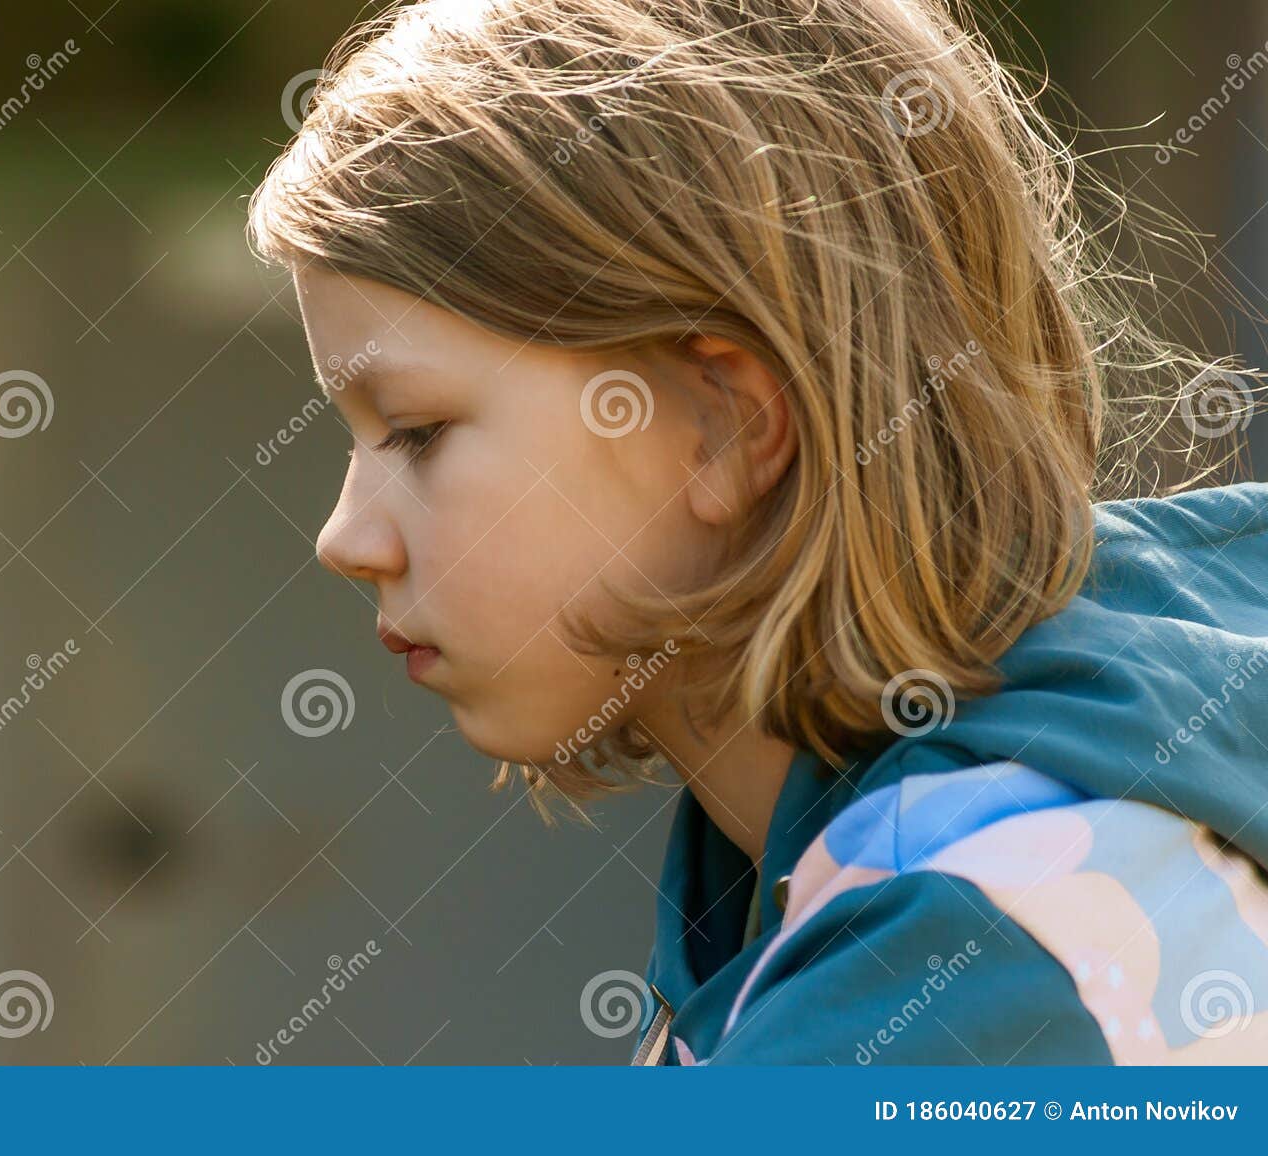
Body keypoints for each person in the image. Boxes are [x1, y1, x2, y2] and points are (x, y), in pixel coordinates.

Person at [248, 0, 1268, 1063]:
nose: (346, 537)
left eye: (416, 431)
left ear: (724, 427)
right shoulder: (794, 878)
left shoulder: (986, 948)